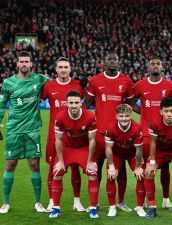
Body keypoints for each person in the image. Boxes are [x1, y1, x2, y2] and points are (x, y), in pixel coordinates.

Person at [84, 51, 135, 212]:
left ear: (118, 61)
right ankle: (95, 201)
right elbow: (87, 103)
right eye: (109, 59)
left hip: (120, 134)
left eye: (115, 59)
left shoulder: (126, 80)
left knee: (120, 169)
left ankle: (120, 201)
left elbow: (132, 105)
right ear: (104, 62)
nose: (112, 61)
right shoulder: (95, 80)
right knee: (96, 168)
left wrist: (152, 112)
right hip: (99, 133)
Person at [0, 51, 48, 213]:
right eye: (21, 61)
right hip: (14, 130)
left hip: (32, 130)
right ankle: (6, 202)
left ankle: (38, 202)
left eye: (27, 61)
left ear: (31, 63)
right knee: (10, 164)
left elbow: (58, 84)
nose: (24, 64)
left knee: (35, 166)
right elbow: (1, 105)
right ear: (17, 63)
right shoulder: (8, 83)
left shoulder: (39, 79)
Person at [41, 57, 86, 212]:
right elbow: (35, 102)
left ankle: (77, 202)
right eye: (60, 67)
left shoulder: (78, 86)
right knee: (52, 168)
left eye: (66, 67)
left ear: (70, 68)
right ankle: (52, 201)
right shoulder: (48, 86)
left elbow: (87, 103)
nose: (63, 70)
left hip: (75, 134)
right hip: (54, 134)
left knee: (75, 168)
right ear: (56, 69)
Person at [133, 56, 172, 210]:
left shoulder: (170, 86)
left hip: (165, 135)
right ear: (149, 68)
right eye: (153, 64)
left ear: (162, 67)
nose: (156, 66)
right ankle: (143, 199)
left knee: (165, 167)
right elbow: (131, 102)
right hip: (146, 134)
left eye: (158, 63)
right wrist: (143, 112)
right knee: (145, 167)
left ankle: (166, 200)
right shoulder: (140, 85)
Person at [49, 90, 99, 219]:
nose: (74, 105)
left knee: (92, 173)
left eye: (76, 102)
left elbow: (92, 140)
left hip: (84, 148)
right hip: (67, 148)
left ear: (81, 102)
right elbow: (58, 140)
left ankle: (93, 208)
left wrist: (90, 161)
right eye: (71, 103)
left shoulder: (90, 116)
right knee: (57, 172)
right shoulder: (60, 117)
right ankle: (56, 208)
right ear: (66, 103)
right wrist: (60, 161)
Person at [105, 104, 146, 217]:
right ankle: (112, 207)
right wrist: (112, 167)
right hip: (116, 154)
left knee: (141, 175)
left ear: (131, 115)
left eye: (127, 116)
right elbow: (108, 148)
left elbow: (139, 150)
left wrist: (138, 167)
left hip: (132, 154)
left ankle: (140, 207)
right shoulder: (111, 128)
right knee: (111, 176)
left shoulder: (137, 128)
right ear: (116, 116)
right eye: (121, 116)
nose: (124, 119)